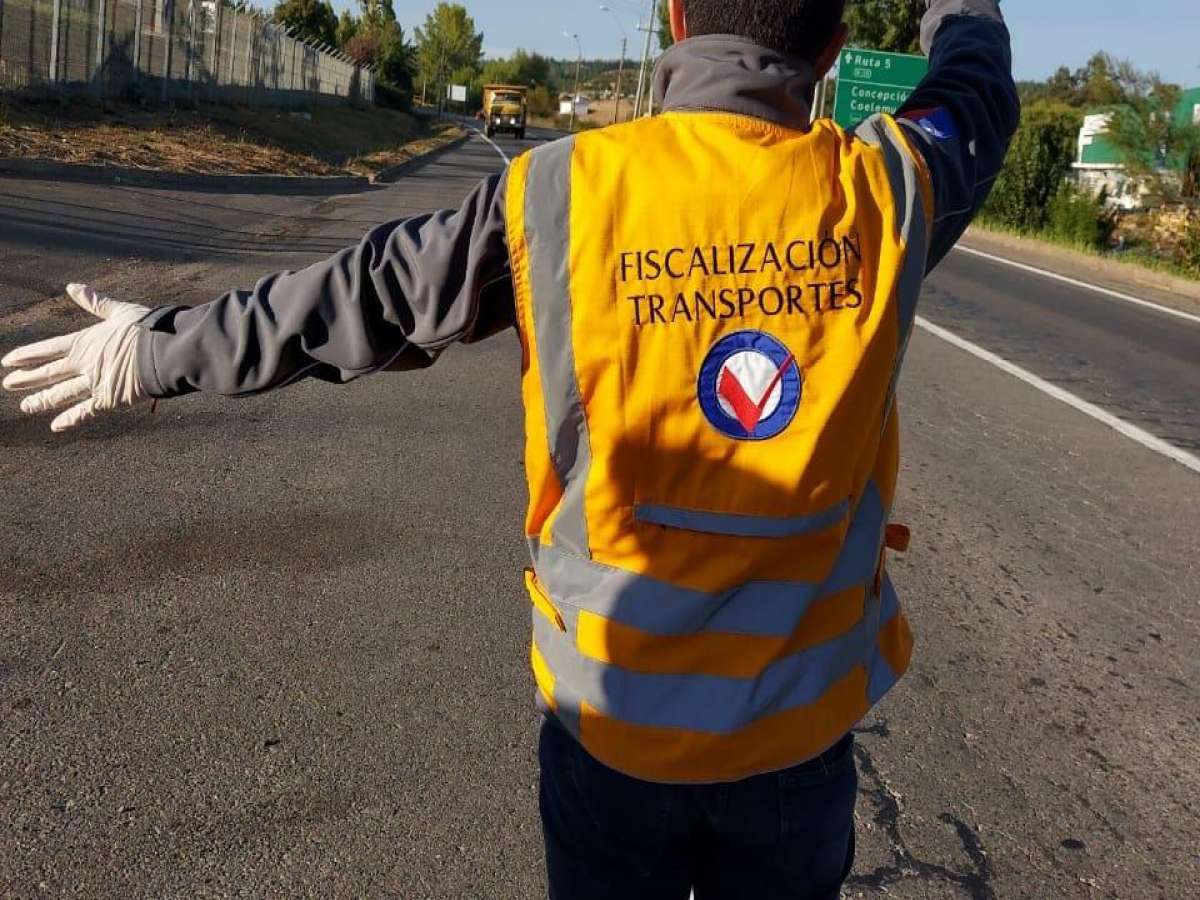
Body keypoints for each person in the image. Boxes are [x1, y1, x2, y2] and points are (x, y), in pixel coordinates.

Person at [2, 1, 1018, 896]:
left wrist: (155, 353)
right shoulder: (890, 187)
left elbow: (359, 298)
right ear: (835, 48)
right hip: (797, 747)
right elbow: (975, 85)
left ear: (671, 20)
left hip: (610, 727)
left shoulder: (560, 195)